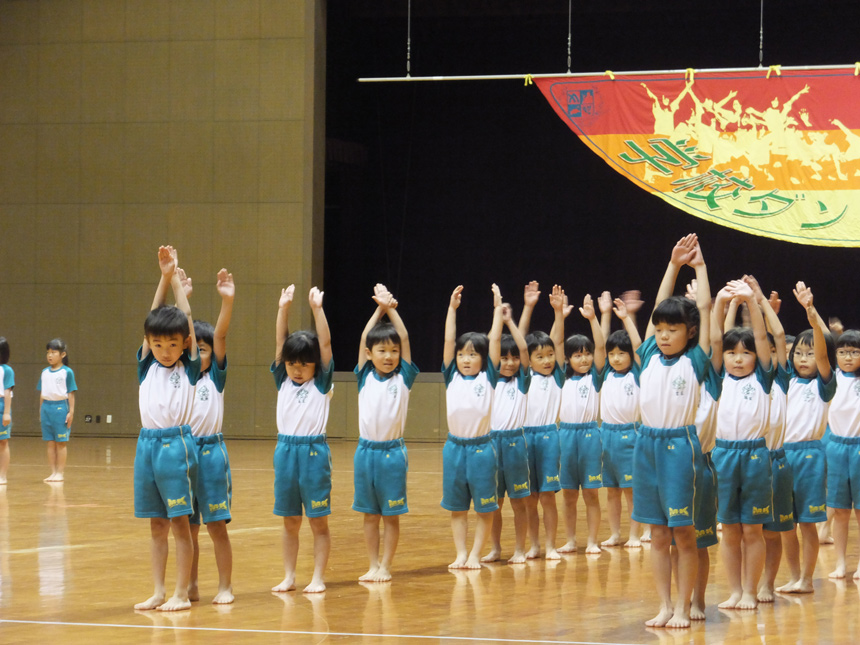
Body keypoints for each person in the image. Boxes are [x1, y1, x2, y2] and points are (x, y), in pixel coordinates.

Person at [633, 233, 711, 628]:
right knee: (658, 535)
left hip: (680, 446)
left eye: (673, 329)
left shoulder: (696, 359)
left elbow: (708, 313)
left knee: (683, 534)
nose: (663, 335)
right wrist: (671, 264)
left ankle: (684, 607)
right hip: (645, 444)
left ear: (690, 333)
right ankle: (664, 605)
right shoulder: (647, 353)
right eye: (660, 329)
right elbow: (653, 317)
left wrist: (697, 268)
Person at [134, 245, 201, 612]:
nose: (163, 349)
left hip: (176, 445)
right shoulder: (146, 365)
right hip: (147, 446)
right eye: (157, 343)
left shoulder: (188, 367)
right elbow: (151, 316)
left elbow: (185, 315)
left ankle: (180, 593)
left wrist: (175, 281)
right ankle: (158, 591)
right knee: (156, 525)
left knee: (180, 523)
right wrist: (162, 276)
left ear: (184, 345)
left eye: (171, 343)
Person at [710, 280, 774, 610]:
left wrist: (752, 302)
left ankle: (751, 590)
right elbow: (716, 338)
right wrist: (724, 303)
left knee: (752, 530)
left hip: (754, 456)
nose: (737, 359)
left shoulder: (763, 378)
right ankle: (734, 590)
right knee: (729, 530)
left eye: (745, 353)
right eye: (732, 353)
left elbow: (762, 337)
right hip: (722, 454)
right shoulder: (717, 375)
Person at [271, 284, 333, 594]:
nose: (297, 369)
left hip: (313, 453)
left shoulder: (321, 382)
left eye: (304, 364)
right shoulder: (282, 378)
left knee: (317, 522)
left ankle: (318, 577)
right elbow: (281, 342)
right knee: (290, 521)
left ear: (315, 365)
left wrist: (317, 310)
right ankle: (289, 576)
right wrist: (283, 308)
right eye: (292, 363)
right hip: (285, 451)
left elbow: (325, 342)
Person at [354, 283, 418, 582]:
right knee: (370, 514)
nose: (389, 355)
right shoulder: (364, 375)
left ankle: (387, 566)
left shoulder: (403, 378)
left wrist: (391, 310)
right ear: (370, 354)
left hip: (393, 453)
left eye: (393, 351)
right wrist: (378, 308)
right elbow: (365, 337)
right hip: (365, 452)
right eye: (382, 350)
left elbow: (404, 336)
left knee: (390, 515)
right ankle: (372, 564)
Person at [179, 267, 235, 605]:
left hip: (212, 455)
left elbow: (222, 336)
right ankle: (191, 584)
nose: (198, 355)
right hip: (184, 452)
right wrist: (181, 299)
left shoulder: (215, 377)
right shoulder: (179, 376)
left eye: (203, 349)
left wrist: (227, 302)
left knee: (216, 527)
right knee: (189, 528)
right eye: (193, 349)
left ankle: (225, 585)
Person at [777, 282, 835, 594]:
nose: (803, 358)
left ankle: (809, 579)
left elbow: (825, 352)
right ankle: (795, 576)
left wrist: (811, 313)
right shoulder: (785, 380)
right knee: (786, 524)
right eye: (799, 353)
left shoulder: (824, 384)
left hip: (810, 455)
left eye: (809, 354)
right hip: (782, 455)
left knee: (807, 524)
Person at [441, 284, 502, 569]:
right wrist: (452, 310)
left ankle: (477, 554)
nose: (466, 359)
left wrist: (497, 310)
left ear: (483, 359)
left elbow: (496, 340)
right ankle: (460, 553)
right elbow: (449, 340)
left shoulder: (488, 377)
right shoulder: (451, 374)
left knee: (485, 507)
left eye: (473, 354)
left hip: (481, 449)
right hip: (454, 448)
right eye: (462, 355)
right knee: (457, 508)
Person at [482, 298, 531, 564]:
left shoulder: (522, 382)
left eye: (513, 359)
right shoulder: (488, 379)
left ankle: (520, 549)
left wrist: (509, 321)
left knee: (518, 502)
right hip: (491, 444)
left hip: (514, 444)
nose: (510, 363)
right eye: (504, 357)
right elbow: (491, 344)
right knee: (495, 503)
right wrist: (497, 319)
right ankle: (496, 548)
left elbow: (523, 349)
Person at [519, 282, 566, 559]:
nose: (547, 360)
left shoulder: (557, 378)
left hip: (549, 437)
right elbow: (521, 344)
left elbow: (557, 341)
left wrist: (558, 314)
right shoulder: (524, 377)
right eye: (540, 356)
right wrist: (528, 307)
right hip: (525, 438)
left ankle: (550, 545)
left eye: (549, 356)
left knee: (548, 496)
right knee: (530, 499)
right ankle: (534, 545)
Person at [557, 292, 606, 555]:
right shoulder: (559, 379)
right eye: (577, 355)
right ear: (567, 358)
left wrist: (593, 318)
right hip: (565, 436)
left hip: (589, 436)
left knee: (591, 494)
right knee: (568, 495)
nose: (584, 359)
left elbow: (601, 347)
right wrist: (558, 316)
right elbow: (555, 342)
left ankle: (592, 541)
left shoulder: (595, 378)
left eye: (586, 354)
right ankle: (571, 540)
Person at [599, 299, 644, 548]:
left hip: (630, 434)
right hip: (606, 435)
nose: (616, 358)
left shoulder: (636, 372)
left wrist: (627, 317)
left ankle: (636, 533)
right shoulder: (606, 372)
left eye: (621, 353)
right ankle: (616, 533)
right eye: (612, 354)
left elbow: (638, 347)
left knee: (631, 490)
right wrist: (605, 314)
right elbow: (601, 343)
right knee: (612, 490)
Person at [824, 328, 860, 579]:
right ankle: (839, 563)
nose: (848, 357)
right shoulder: (831, 378)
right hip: (836, 446)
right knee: (839, 511)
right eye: (843, 352)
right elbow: (823, 344)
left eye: (855, 352)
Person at [39, 338, 77, 483]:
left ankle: (60, 473)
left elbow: (71, 393)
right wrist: (40, 411)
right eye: (48, 352)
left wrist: (71, 411)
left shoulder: (67, 372)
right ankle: (53, 472)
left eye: (53, 352)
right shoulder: (44, 372)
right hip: (46, 408)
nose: (50, 355)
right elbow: (42, 393)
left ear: (62, 354)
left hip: (61, 407)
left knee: (60, 442)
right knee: (50, 442)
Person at [0, 338, 13, 485]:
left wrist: (7, 412)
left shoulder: (7, 370)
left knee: (3, 442)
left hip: (2, 404)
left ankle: (2, 475)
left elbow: (7, 391)